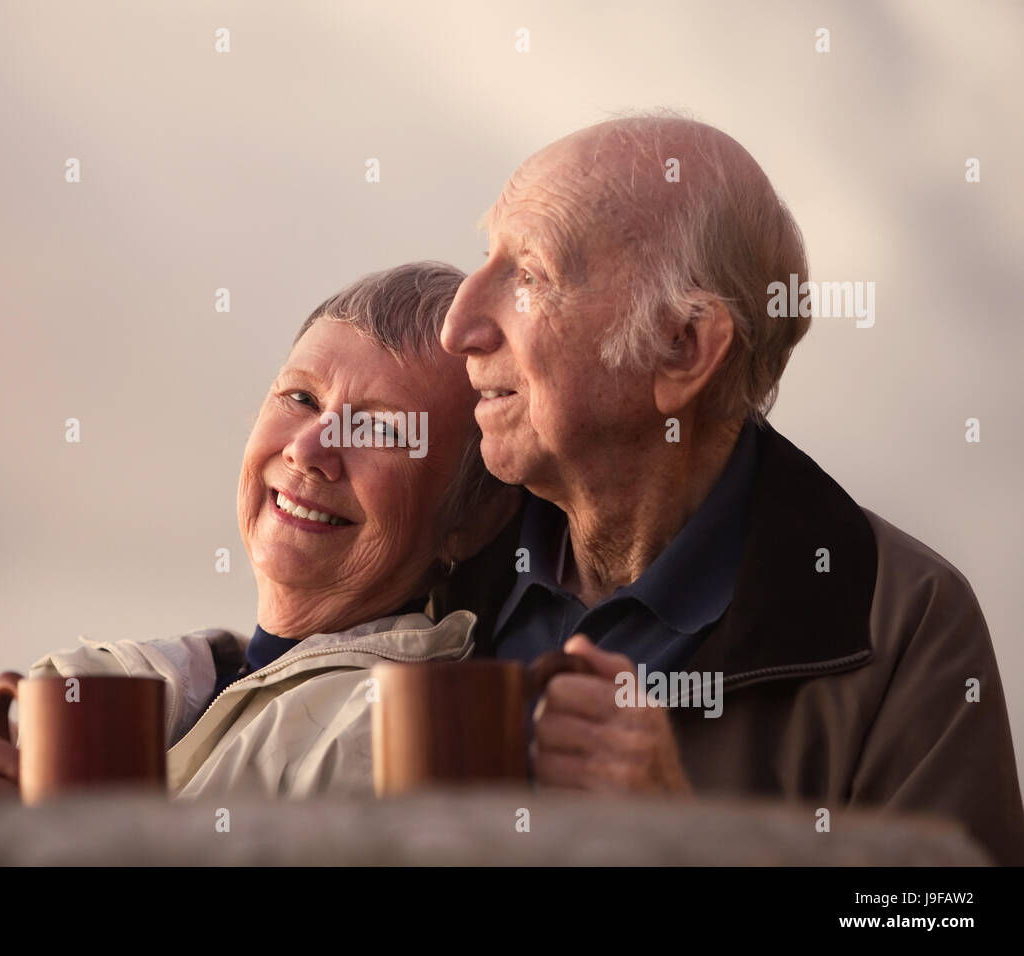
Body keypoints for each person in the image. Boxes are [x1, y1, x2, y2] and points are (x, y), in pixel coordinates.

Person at [429, 111, 1024, 865]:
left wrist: (689, 844)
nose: (459, 326)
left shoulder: (903, 622)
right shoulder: (436, 551)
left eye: (528, 276)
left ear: (683, 346)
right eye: (486, 258)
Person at [0, 261, 518, 809]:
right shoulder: (130, 679)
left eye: (378, 429)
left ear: (473, 518)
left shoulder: (395, 737)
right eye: (301, 398)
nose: (310, 450)